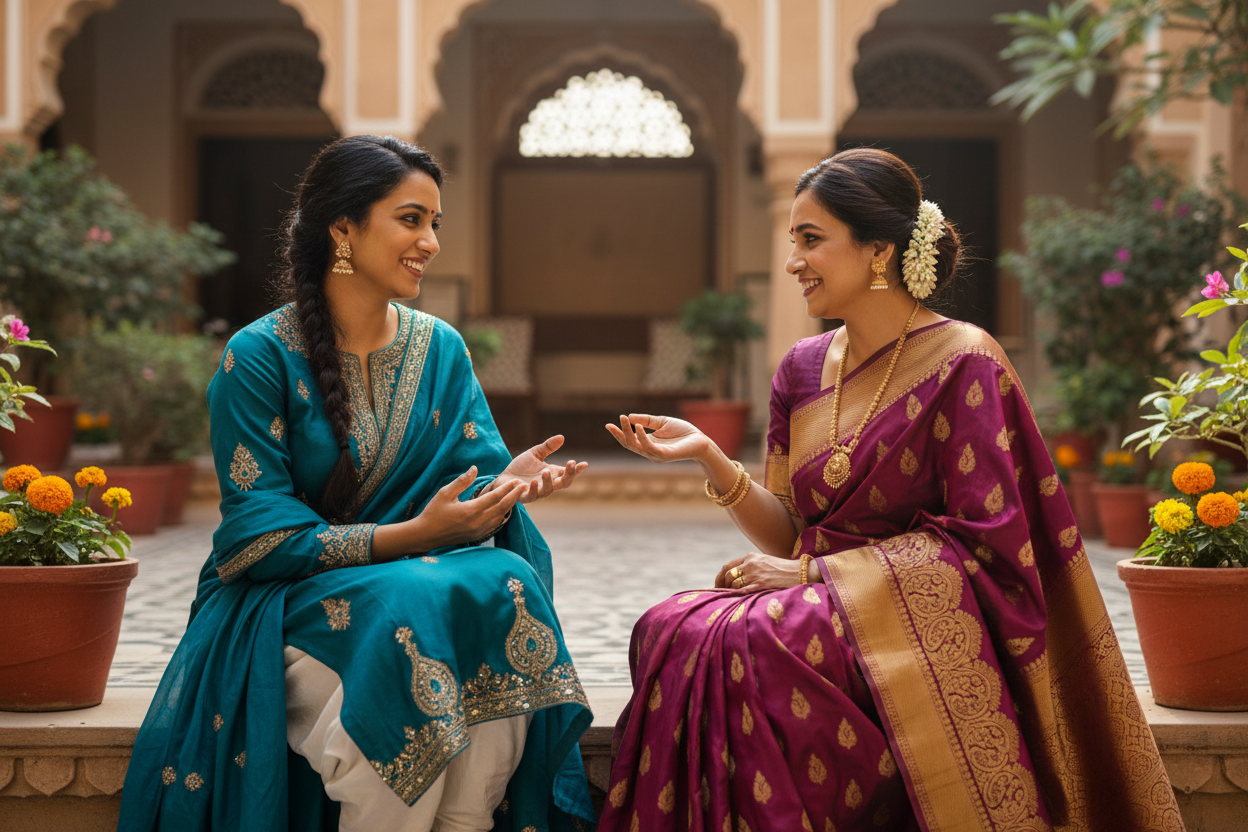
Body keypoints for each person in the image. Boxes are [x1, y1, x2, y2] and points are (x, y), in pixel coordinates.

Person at [598, 148, 1182, 831]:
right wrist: (709, 457)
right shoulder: (802, 369)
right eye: (794, 242)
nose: (793, 263)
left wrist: (814, 573)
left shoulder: (965, 361)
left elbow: (987, 549)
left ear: (878, 250)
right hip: (815, 598)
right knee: (671, 624)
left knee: (755, 640)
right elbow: (789, 527)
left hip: (912, 623)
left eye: (811, 241)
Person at [118, 135, 597, 832]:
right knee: (408, 611)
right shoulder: (258, 357)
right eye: (411, 219)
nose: (430, 242)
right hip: (284, 604)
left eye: (436, 223)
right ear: (342, 228)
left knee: (500, 581)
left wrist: (502, 488)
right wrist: (413, 536)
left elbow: (468, 472)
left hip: (415, 590)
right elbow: (258, 537)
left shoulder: (440, 347)